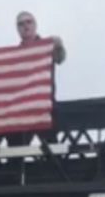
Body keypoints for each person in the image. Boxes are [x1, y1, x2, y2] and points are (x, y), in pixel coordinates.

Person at [11, 11, 66, 147]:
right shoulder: (14, 54)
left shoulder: (46, 45)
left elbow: (60, 59)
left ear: (35, 25)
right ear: (17, 29)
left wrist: (58, 45)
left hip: (45, 105)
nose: (25, 26)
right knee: (16, 148)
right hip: (21, 109)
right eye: (21, 24)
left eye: (29, 22)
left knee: (52, 148)